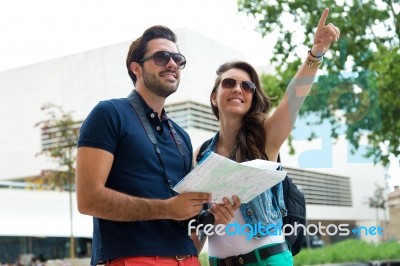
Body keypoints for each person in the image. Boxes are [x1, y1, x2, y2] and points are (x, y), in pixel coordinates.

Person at [75, 25, 239, 266]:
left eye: (178, 59)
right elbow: (88, 199)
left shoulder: (181, 136)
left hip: (188, 259)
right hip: (130, 259)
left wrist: (210, 220)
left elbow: (187, 222)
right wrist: (166, 209)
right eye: (162, 57)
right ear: (136, 67)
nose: (172, 64)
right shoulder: (109, 113)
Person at [194, 8, 340, 266]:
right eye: (228, 83)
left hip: (267, 260)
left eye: (247, 86)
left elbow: (294, 98)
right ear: (214, 96)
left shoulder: (265, 138)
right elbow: (197, 220)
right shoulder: (202, 153)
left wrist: (315, 53)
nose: (238, 89)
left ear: (252, 98)